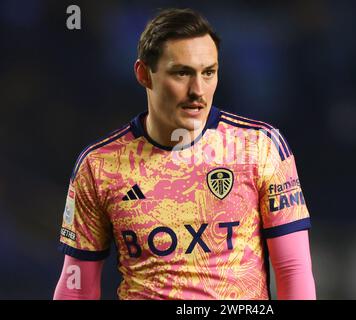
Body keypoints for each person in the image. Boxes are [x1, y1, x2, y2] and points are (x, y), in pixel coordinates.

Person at [54, 8, 316, 300]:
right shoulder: (99, 165)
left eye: (208, 73)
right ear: (144, 74)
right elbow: (76, 284)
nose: (197, 90)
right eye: (182, 73)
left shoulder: (260, 147)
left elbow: (293, 269)